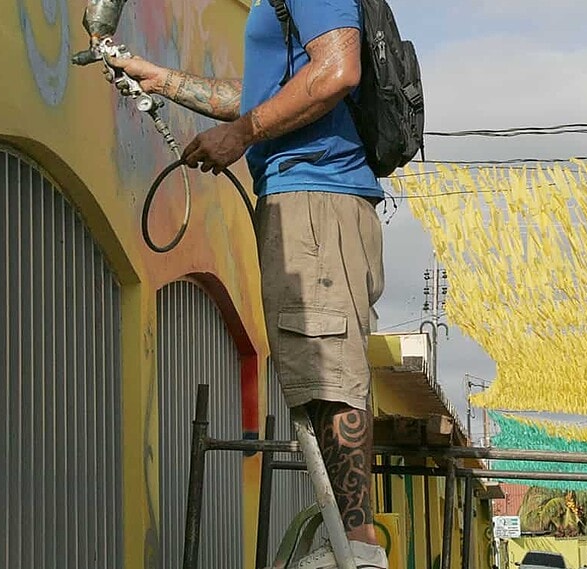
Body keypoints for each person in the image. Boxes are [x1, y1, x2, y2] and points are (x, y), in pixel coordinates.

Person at [110, 1, 386, 568]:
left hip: (316, 198)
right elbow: (267, 96)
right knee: (317, 370)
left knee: (330, 371)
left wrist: (242, 134)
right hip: (306, 198)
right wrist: (161, 80)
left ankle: (358, 551)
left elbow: (337, 71)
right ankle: (349, 543)